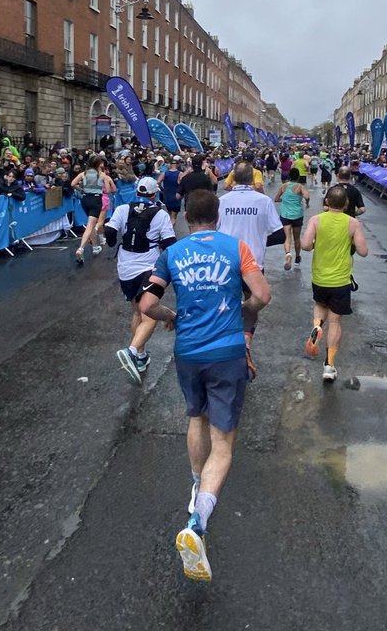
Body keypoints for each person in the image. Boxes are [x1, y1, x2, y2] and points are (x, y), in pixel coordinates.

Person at [137, 188, 271, 582]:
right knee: (224, 441)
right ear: (217, 216)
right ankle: (198, 522)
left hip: (188, 351)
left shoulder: (172, 253)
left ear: (186, 219)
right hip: (226, 350)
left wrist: (169, 315)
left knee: (195, 417)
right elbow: (262, 294)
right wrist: (245, 309)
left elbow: (146, 304)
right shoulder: (236, 248)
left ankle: (197, 486)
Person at [107, 175, 177, 384]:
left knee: (137, 310)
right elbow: (169, 242)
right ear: (155, 194)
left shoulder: (122, 209)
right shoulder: (160, 214)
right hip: (149, 267)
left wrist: (113, 243)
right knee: (150, 314)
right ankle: (131, 350)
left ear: (137, 191)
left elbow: (110, 231)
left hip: (125, 269)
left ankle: (140, 355)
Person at [217, 161, 283, 378]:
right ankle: (245, 343)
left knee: (225, 304)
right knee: (253, 304)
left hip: (226, 262)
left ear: (233, 178)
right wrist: (259, 240)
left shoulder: (222, 201)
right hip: (253, 263)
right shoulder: (263, 202)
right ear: (252, 177)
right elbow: (279, 234)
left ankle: (224, 348)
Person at [300, 184, 368, 382]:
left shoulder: (316, 220)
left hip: (319, 277)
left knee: (320, 305)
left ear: (326, 202)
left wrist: (316, 243)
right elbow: (364, 252)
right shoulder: (352, 223)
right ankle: (329, 366)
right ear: (346, 204)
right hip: (340, 280)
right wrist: (352, 240)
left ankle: (316, 327)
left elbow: (304, 245)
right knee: (336, 321)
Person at [273, 167, 310, 270]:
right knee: (297, 238)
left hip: (285, 215)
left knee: (287, 237)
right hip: (297, 215)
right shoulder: (300, 186)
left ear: (289, 176)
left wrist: (285, 201)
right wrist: (307, 203)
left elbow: (276, 199)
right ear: (298, 176)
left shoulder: (284, 186)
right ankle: (297, 257)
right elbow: (307, 196)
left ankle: (288, 254)